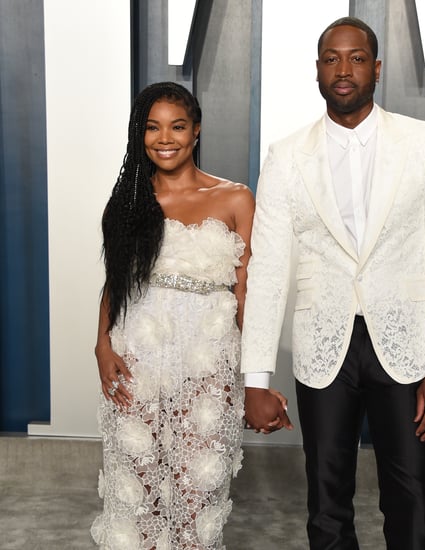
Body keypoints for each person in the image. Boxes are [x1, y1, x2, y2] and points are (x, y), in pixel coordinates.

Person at [241, 17, 425, 550]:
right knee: (326, 506)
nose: (343, 70)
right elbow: (269, 267)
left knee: (412, 500)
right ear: (318, 70)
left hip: (408, 346)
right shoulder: (286, 155)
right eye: (331, 59)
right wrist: (255, 377)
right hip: (323, 348)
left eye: (356, 58)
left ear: (377, 68)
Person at [91, 82, 255, 549]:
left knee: (195, 490)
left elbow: (246, 291)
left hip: (208, 360)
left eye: (177, 126)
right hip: (136, 356)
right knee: (136, 489)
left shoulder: (235, 198)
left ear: (196, 131)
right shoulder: (130, 200)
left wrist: (251, 372)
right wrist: (102, 344)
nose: (165, 138)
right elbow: (115, 282)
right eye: (152, 127)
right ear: (139, 135)